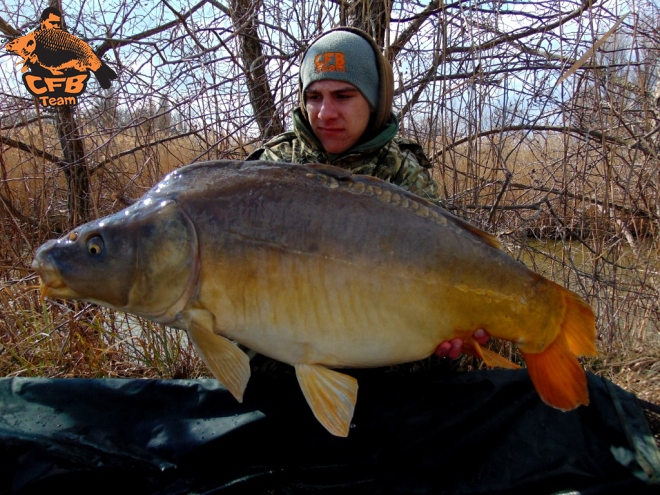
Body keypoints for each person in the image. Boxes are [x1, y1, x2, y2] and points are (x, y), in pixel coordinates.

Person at [248, 27, 488, 359]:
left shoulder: (404, 174)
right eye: (314, 97)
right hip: (280, 380)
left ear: (374, 101)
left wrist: (448, 346)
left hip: (386, 384)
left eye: (343, 96)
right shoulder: (271, 168)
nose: (325, 113)